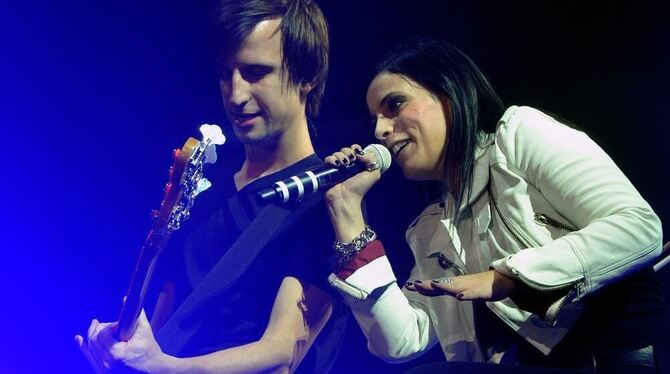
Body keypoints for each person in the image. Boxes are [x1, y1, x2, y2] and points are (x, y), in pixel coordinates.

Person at [323, 38, 670, 372]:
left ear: (448, 93)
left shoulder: (519, 135)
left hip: (609, 356)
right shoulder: (430, 228)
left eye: (394, 105)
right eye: (375, 122)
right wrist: (347, 210)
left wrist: (507, 277)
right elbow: (401, 341)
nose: (381, 130)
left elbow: (637, 226)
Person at [75, 0, 347, 373]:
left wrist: (164, 367)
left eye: (255, 73)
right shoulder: (200, 190)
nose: (235, 95)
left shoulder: (326, 198)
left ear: (308, 76)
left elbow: (283, 352)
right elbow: (163, 333)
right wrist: (126, 352)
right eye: (226, 74)